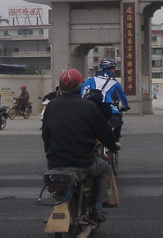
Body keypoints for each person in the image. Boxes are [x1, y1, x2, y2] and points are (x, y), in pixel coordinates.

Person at [42, 68, 119, 222]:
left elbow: (46, 134)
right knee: (103, 167)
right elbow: (103, 131)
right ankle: (97, 207)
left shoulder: (51, 106)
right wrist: (112, 145)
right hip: (83, 161)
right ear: (80, 86)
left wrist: (49, 151)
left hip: (55, 161)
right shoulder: (88, 106)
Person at [80, 58, 131, 141]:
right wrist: (126, 106)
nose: (115, 70)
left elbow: (83, 89)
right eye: (114, 68)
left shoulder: (92, 79)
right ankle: (115, 141)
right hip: (106, 106)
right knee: (117, 116)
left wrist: (82, 101)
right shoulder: (115, 82)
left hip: (91, 106)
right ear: (110, 69)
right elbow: (122, 96)